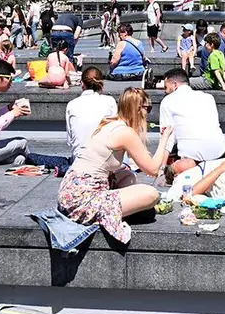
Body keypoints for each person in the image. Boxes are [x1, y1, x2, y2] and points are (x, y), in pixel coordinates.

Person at [57, 88, 172, 243]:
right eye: (147, 108)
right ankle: (108, 213)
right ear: (138, 109)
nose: (148, 114)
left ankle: (118, 208)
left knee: (128, 176)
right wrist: (164, 139)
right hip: (82, 199)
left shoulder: (109, 123)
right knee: (151, 194)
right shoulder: (126, 133)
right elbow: (152, 169)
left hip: (70, 191)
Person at [159, 68, 225, 161]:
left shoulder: (167, 101)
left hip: (190, 156)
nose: (165, 91)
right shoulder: (208, 98)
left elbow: (167, 137)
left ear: (175, 84)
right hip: (220, 152)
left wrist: (162, 166)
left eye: (166, 87)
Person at [65, 67, 117, 160]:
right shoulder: (110, 101)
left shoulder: (72, 104)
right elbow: (115, 133)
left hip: (79, 159)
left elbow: (70, 140)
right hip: (104, 159)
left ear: (82, 84)